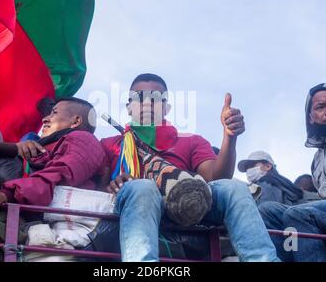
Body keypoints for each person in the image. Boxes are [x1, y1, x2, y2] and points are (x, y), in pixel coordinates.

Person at [100, 73, 279, 262]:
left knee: (234, 187)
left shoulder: (191, 141)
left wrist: (230, 137)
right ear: (129, 107)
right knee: (142, 187)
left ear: (166, 108)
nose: (147, 104)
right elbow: (96, 187)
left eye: (155, 99)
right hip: (139, 206)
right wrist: (114, 185)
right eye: (139, 98)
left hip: (187, 204)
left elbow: (216, 178)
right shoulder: (109, 144)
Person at [259, 83, 326, 262]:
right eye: (321, 106)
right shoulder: (316, 160)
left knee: (297, 214)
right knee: (267, 210)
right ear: (310, 117)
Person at [238, 151, 303, 205]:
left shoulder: (266, 182)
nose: (248, 170)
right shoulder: (280, 183)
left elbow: (265, 213)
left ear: (268, 166)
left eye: (252, 165)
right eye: (247, 168)